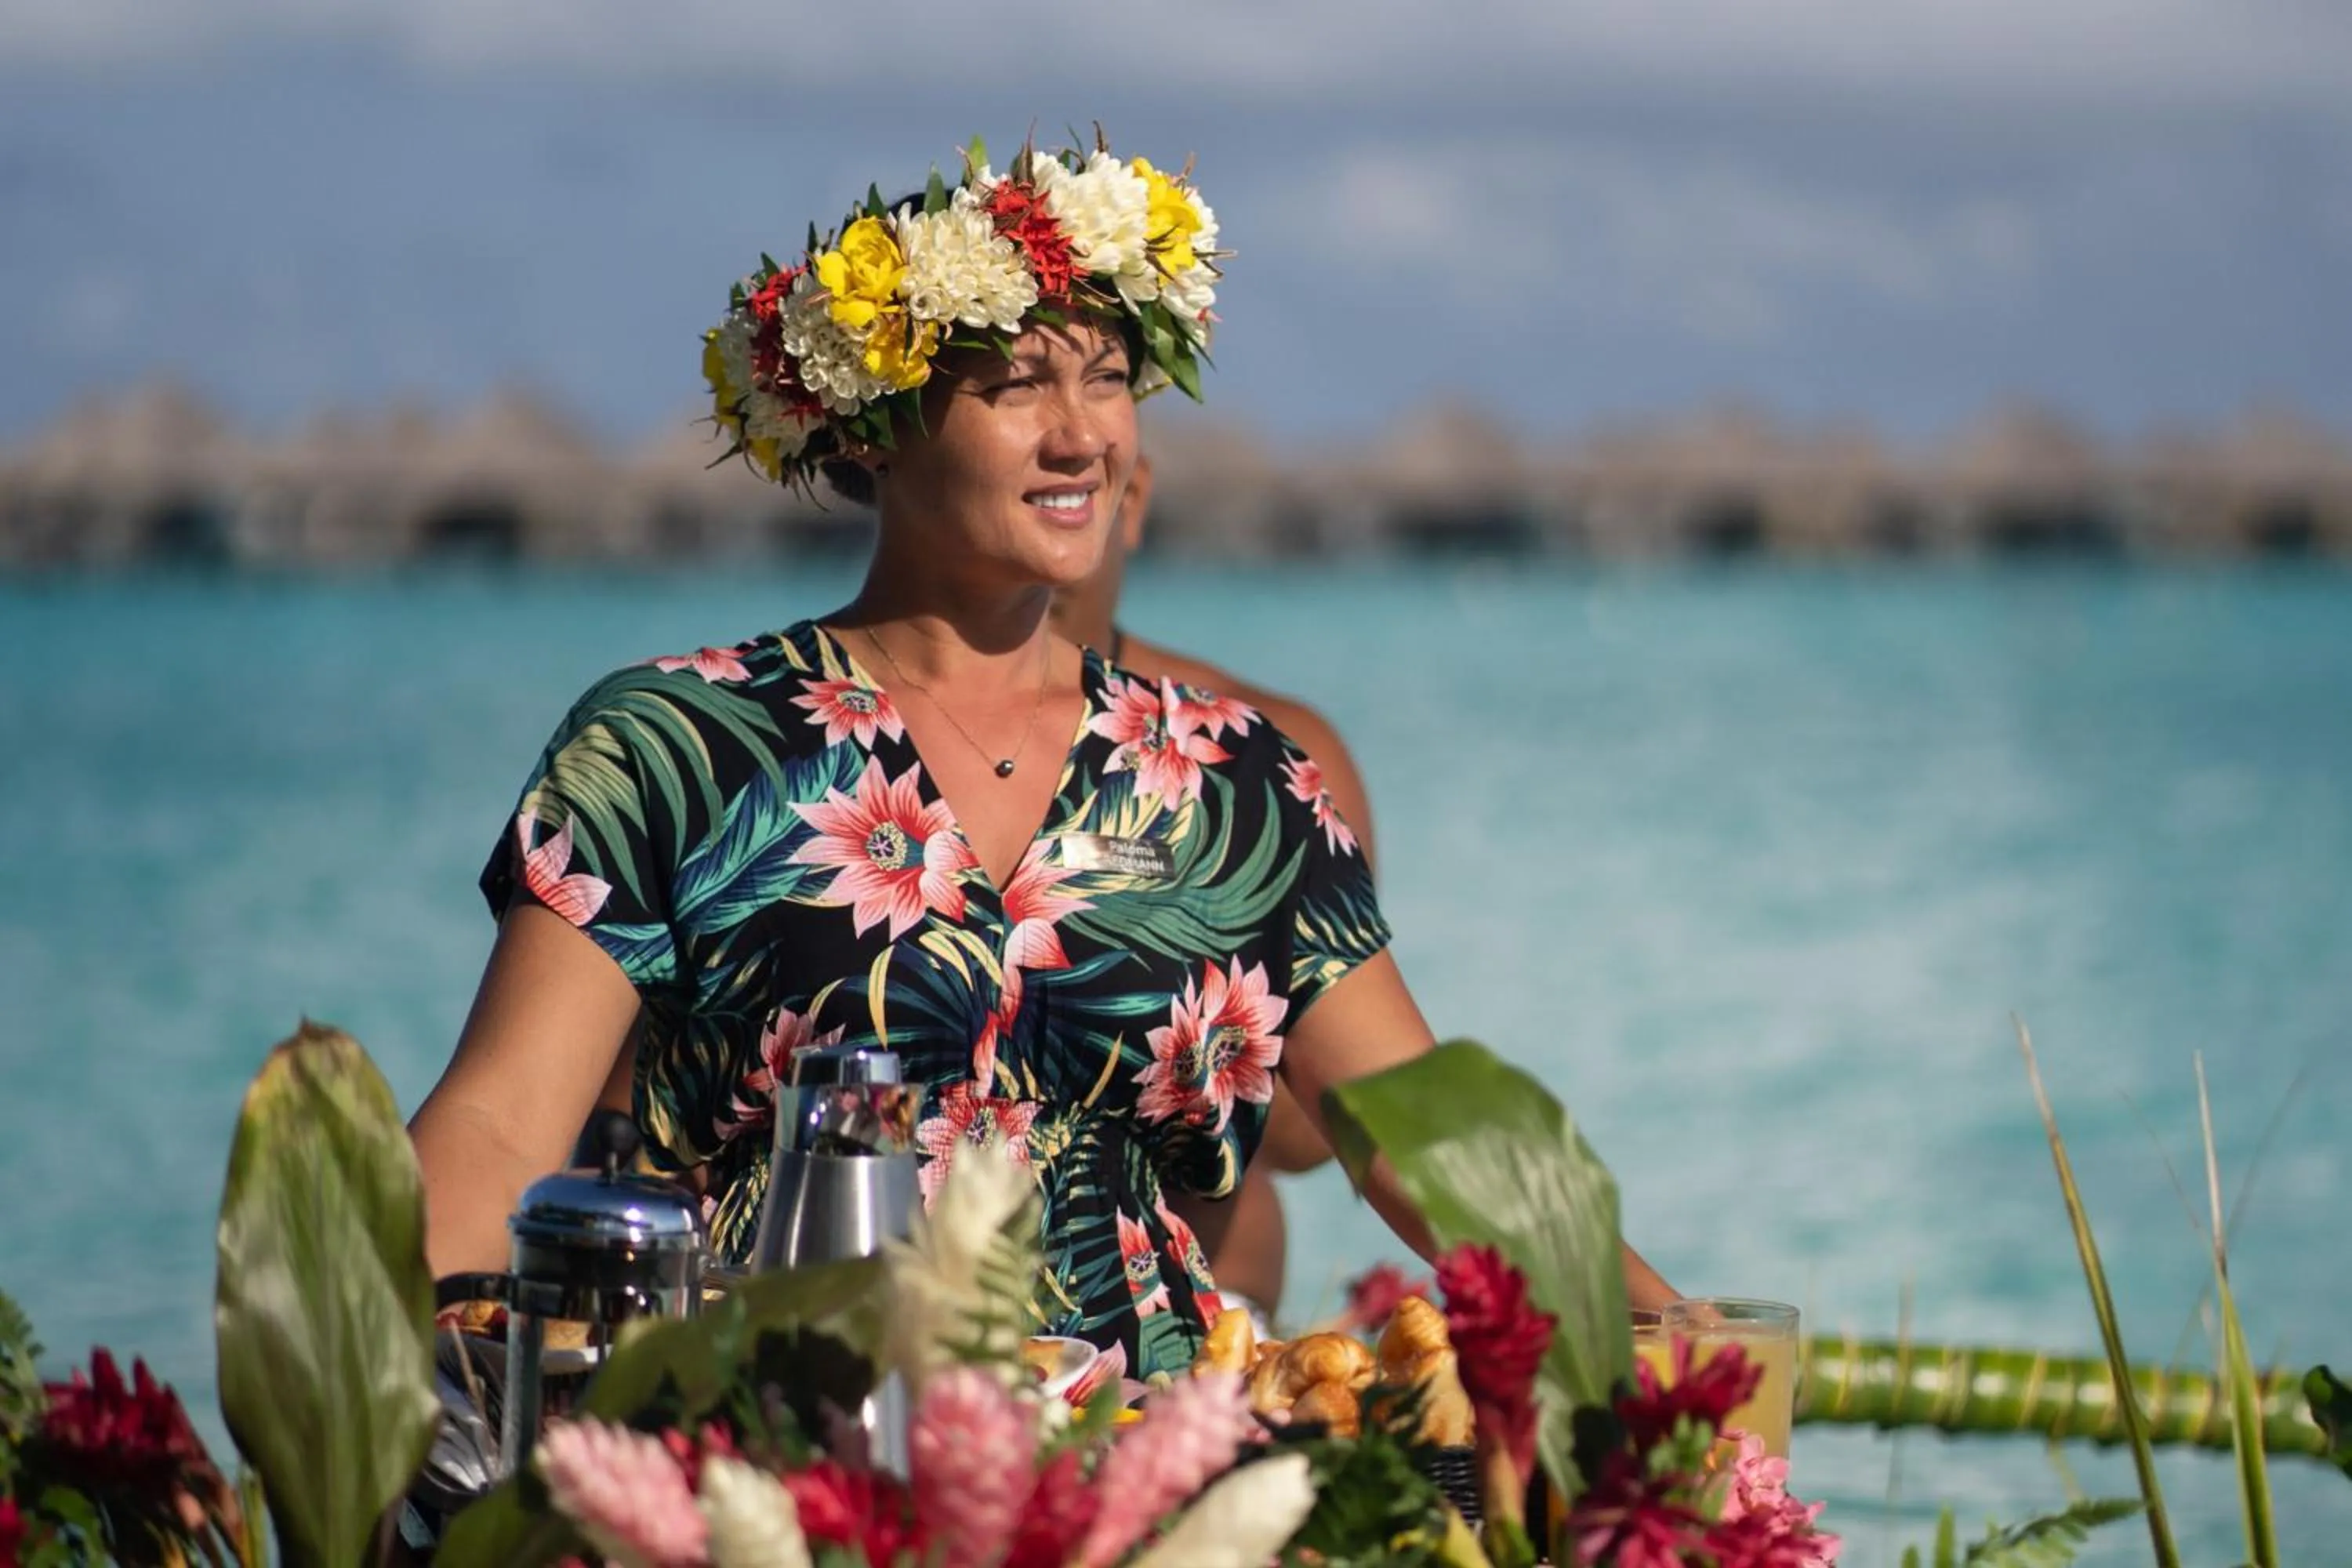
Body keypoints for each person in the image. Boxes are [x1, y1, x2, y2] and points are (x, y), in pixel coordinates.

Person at [407, 139, 1675, 1383]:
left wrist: (1685, 1351)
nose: (1081, 435)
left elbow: (1431, 1142)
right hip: (769, 1457)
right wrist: (367, 1421)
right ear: (873, 427)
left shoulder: (1232, 783)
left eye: (1110, 379)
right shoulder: (674, 747)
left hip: (1147, 1475)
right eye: (1015, 385)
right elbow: (502, 1122)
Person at [1048, 452, 1366, 1331]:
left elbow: (1318, 1129)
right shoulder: (805, 749)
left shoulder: (1258, 759)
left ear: (1132, 496)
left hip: (1197, 1328)